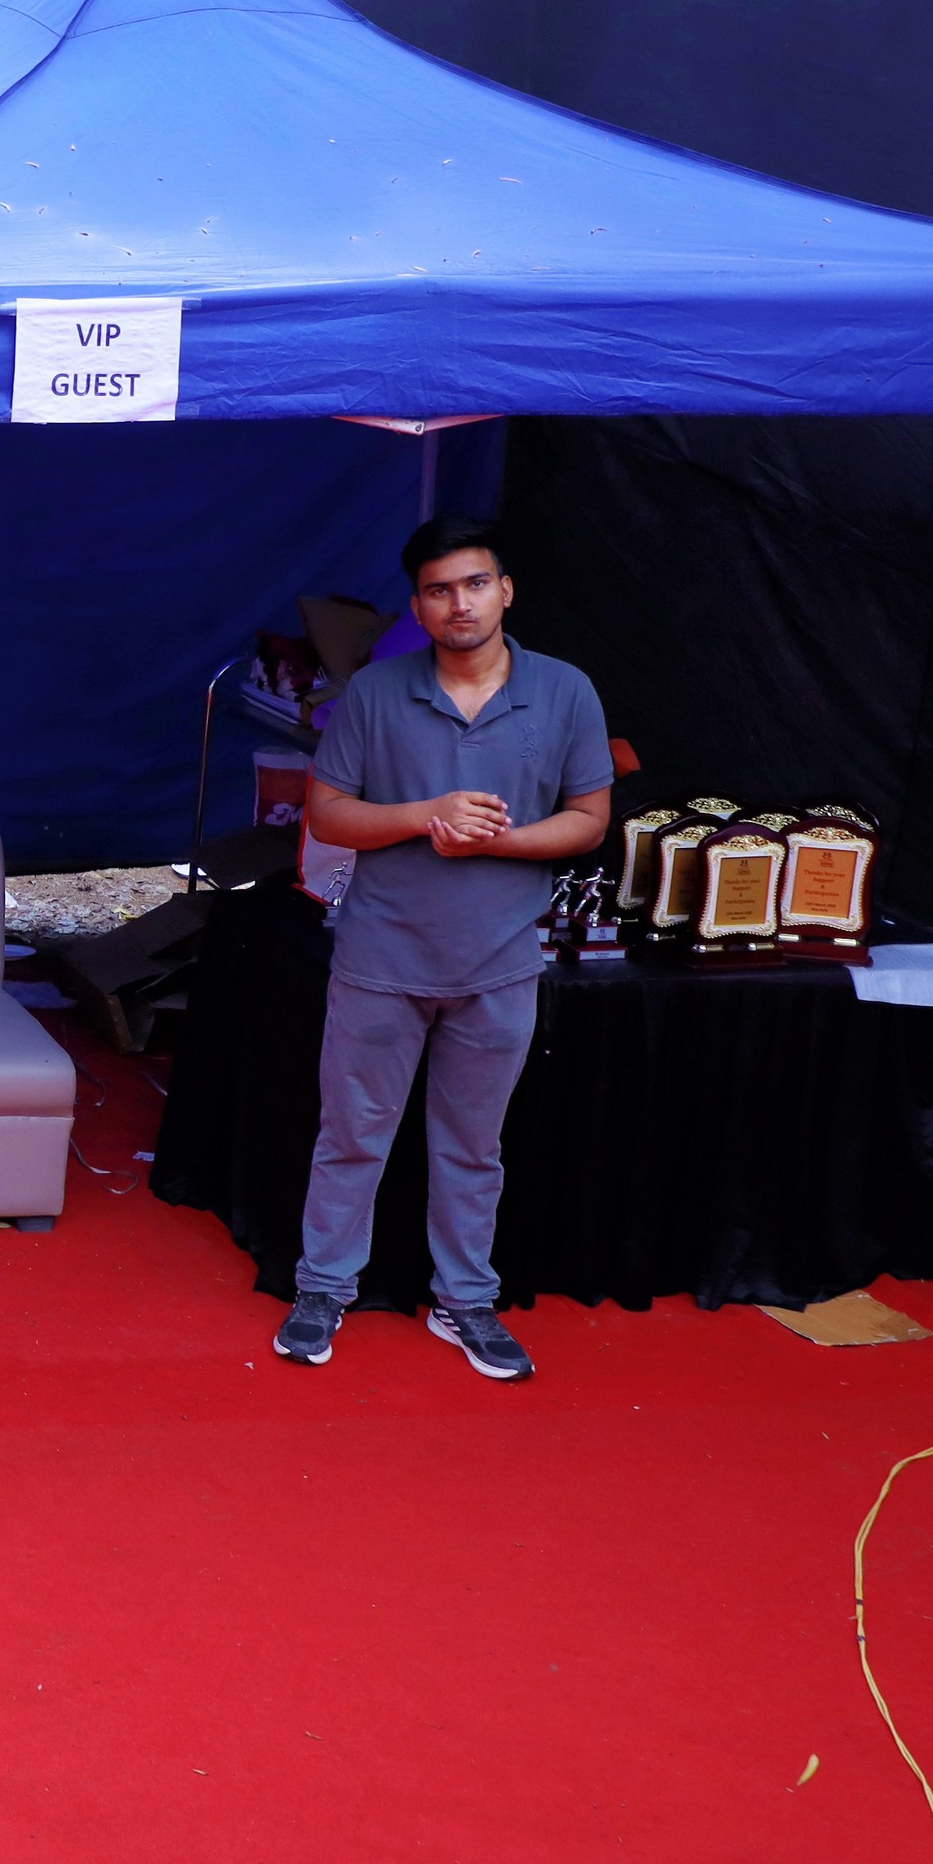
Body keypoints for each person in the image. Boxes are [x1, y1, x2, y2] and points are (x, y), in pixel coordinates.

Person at [275, 516, 613, 1382]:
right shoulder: (374, 692)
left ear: (505, 590)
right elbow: (327, 815)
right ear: (418, 608)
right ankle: (322, 1286)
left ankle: (465, 1298)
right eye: (437, 590)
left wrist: (496, 841)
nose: (458, 603)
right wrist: (427, 815)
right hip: (381, 956)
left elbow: (588, 819)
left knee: (472, 1145)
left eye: (474, 583)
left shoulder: (565, 689)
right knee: (351, 1134)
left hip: (499, 959)